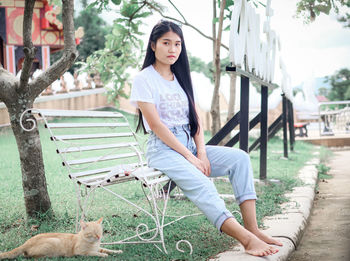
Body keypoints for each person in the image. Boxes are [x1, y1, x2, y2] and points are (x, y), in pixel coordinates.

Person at [130, 20, 282, 257]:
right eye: (166, 43)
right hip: (163, 149)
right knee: (203, 184)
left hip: (189, 143)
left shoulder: (181, 77)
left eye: (177, 44)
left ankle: (253, 229)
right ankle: (247, 240)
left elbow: (196, 120)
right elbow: (157, 126)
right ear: (153, 46)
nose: (172, 49)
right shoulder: (144, 79)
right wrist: (190, 157)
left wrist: (201, 152)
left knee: (240, 159)